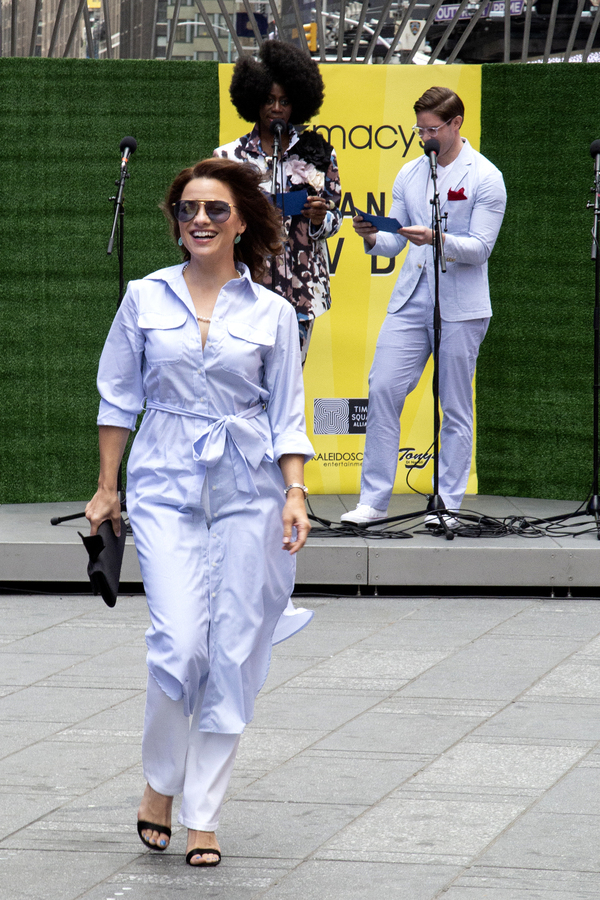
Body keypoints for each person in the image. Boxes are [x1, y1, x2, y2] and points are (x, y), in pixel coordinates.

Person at [85, 158, 314, 867]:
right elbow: (118, 397)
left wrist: (297, 492)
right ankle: (161, 783)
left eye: (216, 210)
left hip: (251, 489)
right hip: (165, 483)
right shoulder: (144, 298)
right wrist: (106, 486)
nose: (202, 221)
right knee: (181, 642)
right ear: (176, 222)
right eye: (188, 210)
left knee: (233, 650)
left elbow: (287, 414)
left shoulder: (273, 312)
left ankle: (203, 813)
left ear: (241, 220)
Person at [341, 87, 506, 527]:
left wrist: (437, 239)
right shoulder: (410, 173)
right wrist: (371, 235)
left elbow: (481, 249)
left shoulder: (486, 177)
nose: (425, 137)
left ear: (456, 124)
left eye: (432, 129)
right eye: (419, 129)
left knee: (454, 406)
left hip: (462, 307)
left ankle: (448, 506)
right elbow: (394, 243)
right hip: (411, 300)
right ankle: (372, 502)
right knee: (382, 391)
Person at [214, 38, 342, 365]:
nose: (276, 107)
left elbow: (336, 216)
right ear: (255, 101)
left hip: (301, 288)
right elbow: (214, 217)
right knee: (245, 377)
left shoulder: (319, 155)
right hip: (246, 285)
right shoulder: (228, 157)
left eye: (284, 101)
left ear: (296, 104)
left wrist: (319, 218)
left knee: (288, 383)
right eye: (269, 99)